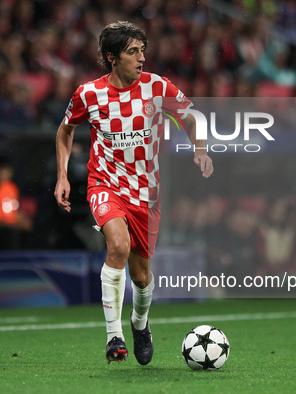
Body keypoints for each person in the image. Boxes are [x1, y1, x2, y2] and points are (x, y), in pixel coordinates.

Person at [54, 21, 213, 365]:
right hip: (105, 184)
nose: (141, 58)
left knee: (141, 276)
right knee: (118, 247)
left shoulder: (158, 87)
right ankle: (114, 337)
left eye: (142, 50)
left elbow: (191, 117)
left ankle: (140, 324)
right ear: (112, 57)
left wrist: (198, 148)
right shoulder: (88, 94)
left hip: (146, 193)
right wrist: (62, 175)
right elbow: (65, 131)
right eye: (132, 52)